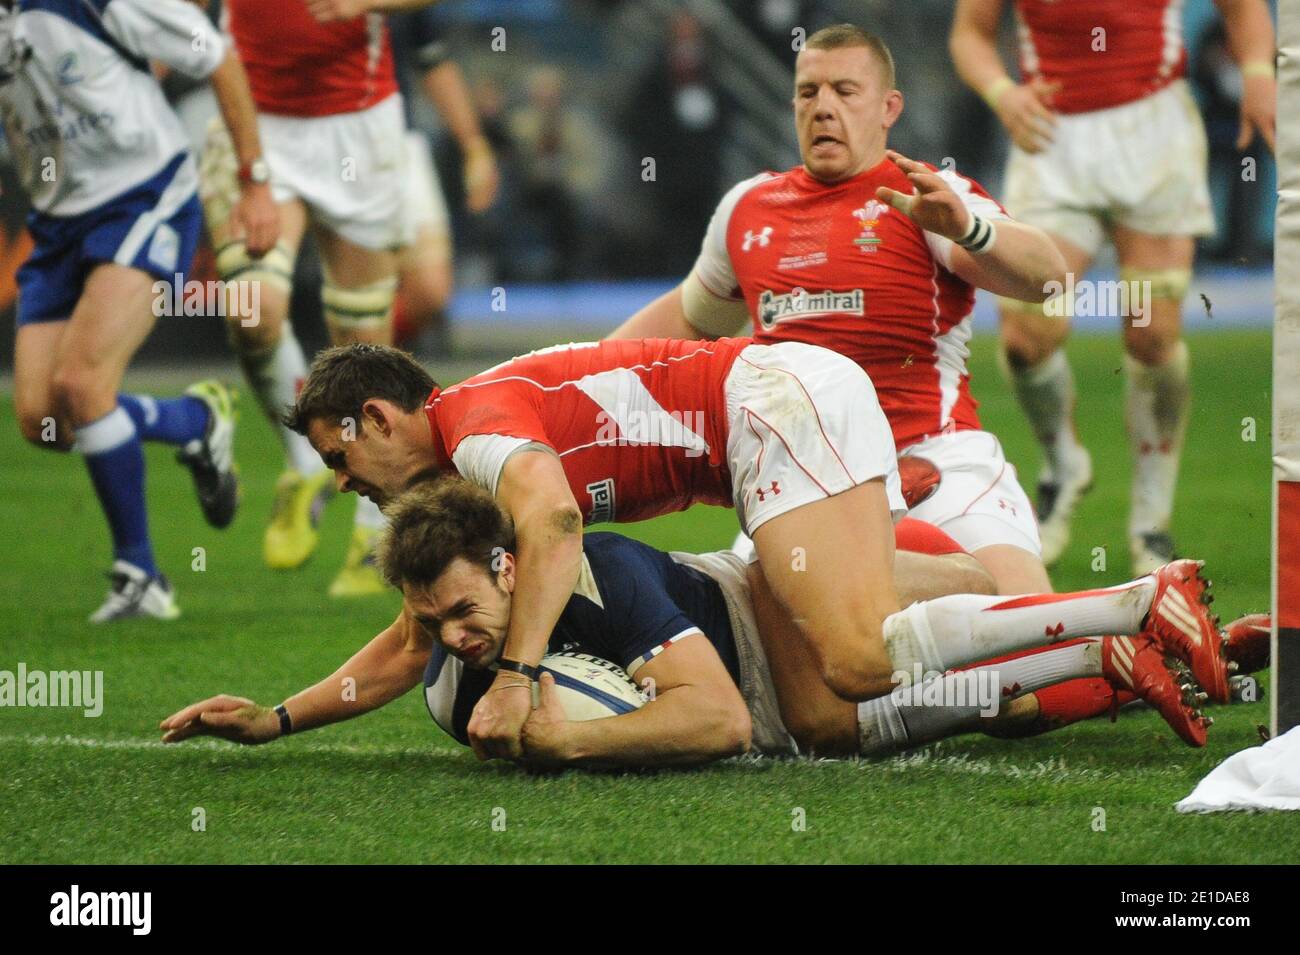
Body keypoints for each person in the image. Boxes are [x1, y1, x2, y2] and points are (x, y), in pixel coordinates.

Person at [282, 339, 1231, 759]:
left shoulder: (476, 431)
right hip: (771, 427)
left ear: (376, 418)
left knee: (858, 662)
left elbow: (559, 526)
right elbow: (415, 636)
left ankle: (1140, 602)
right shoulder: (459, 491)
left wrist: (521, 677)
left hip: (767, 411)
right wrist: (277, 719)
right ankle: (1102, 646)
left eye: (339, 456)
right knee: (834, 699)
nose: (342, 481)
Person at [160, 479, 1259, 764]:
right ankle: (1165, 655)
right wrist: (277, 720)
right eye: (429, 619)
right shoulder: (464, 627)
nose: (445, 638)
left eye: (458, 611)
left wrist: (564, 739)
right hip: (780, 651)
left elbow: (721, 723)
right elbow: (398, 652)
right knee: (1005, 713)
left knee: (878, 680)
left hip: (771, 621)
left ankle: (1124, 606)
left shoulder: (600, 570)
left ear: (508, 566)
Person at [608, 24, 1067, 597]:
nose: (823, 108)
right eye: (809, 92)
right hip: (805, 480)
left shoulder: (927, 195)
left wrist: (969, 230)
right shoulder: (748, 209)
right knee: (759, 672)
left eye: (845, 91)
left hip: (936, 458)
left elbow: (1050, 278)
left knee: (1040, 635)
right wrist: (557, 381)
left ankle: (1157, 630)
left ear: (888, 107)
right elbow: (688, 320)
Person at [949, 0, 1276, 572]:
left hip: (1153, 132)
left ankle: (1151, 523)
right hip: (1051, 137)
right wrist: (1005, 93)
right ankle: (1064, 465)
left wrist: (1257, 74)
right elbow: (971, 34)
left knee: (1151, 335)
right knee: (1027, 336)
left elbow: (1243, 7)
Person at [4, 0, 278, 621]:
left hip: (146, 197)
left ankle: (141, 575)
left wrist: (255, 181)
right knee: (43, 419)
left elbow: (218, 55)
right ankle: (193, 422)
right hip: (56, 222)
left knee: (81, 382)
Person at [198, 0, 443, 597]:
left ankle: (371, 523)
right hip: (255, 120)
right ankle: (305, 460)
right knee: (253, 311)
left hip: (358, 126)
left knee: (362, 344)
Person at [387, 5, 499, 353]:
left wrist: (474, 146)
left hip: (395, 139)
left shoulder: (407, 9)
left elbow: (431, 59)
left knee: (431, 291)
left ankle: (360, 350)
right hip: (310, 136)